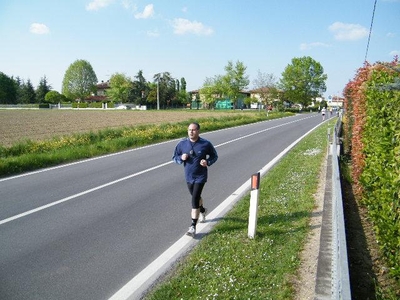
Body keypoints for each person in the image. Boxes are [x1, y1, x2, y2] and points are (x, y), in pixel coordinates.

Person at [172, 122, 218, 237]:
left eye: (193, 130)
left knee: (194, 199)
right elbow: (174, 157)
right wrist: (181, 158)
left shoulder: (205, 144)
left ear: (198, 131)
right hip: (189, 176)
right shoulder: (182, 144)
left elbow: (214, 156)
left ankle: (193, 226)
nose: (191, 132)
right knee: (195, 197)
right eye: (189, 130)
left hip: (201, 176)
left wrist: (207, 162)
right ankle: (202, 210)